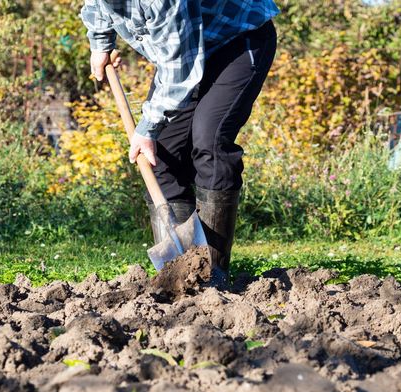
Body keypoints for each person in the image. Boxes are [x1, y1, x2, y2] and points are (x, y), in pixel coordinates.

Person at [81, 0, 279, 284]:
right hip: (187, 53)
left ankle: (213, 272)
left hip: (236, 40)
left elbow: (178, 69)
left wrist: (147, 128)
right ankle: (178, 273)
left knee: (210, 140)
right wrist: (100, 44)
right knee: (159, 155)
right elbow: (97, 5)